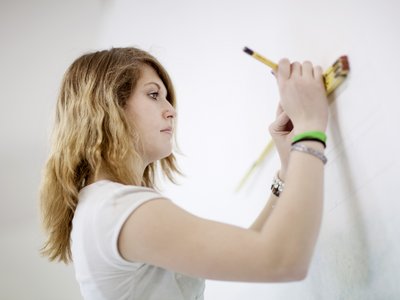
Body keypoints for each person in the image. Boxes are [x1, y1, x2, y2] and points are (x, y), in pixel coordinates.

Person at [39, 47, 329, 300]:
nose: (171, 111)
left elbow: (253, 246)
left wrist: (288, 170)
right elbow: (282, 260)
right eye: (153, 95)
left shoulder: (103, 207)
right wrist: (309, 125)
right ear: (107, 106)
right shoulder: (117, 209)